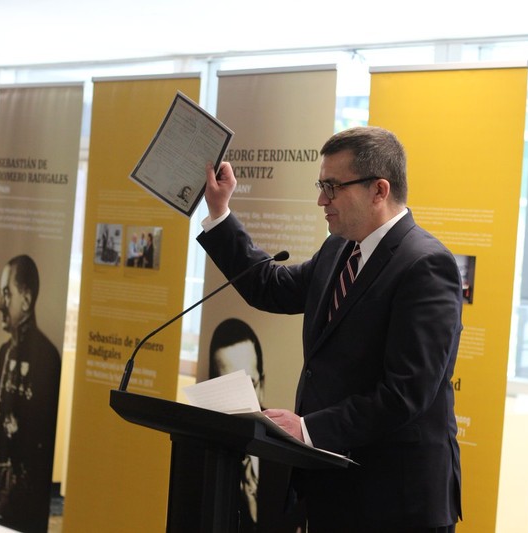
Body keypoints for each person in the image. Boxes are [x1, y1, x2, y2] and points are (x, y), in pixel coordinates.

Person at [198, 126, 463, 532]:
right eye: (321, 185)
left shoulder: (424, 265)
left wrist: (307, 428)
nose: (322, 199)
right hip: (334, 486)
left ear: (379, 190)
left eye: (333, 187)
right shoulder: (340, 248)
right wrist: (220, 214)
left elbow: (407, 392)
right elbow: (270, 287)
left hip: (396, 502)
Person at [0, 254, 62, 532]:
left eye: (6, 294)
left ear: (25, 300)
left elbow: (41, 436)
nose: (0, 304)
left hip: (21, 499)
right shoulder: (4, 352)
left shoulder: (48, 358)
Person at [208, 318, 305, 533]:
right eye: (228, 384)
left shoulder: (287, 451)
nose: (238, 395)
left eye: (247, 384)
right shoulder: (199, 449)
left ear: (262, 384)